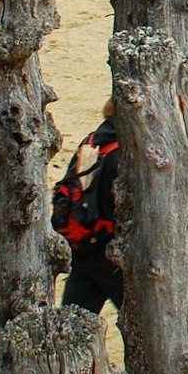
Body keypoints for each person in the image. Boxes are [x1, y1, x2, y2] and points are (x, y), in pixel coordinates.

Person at [52, 115, 122, 314]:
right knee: (143, 328)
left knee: (71, 324)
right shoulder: (125, 154)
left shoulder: (90, 142)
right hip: (112, 253)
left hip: (82, 246)